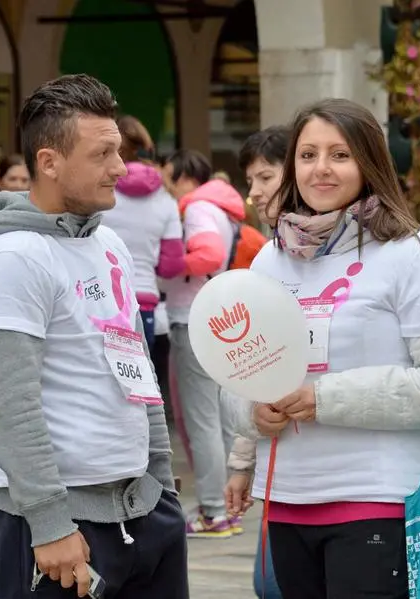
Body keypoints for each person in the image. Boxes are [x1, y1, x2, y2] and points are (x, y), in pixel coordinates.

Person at [232, 98, 420, 597]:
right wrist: (251, 416)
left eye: (339, 155)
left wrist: (325, 399)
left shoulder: (415, 255)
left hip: (377, 501)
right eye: (307, 155)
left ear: (369, 162)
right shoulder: (269, 261)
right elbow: (240, 378)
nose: (320, 169)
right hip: (285, 502)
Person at [0, 74, 186, 599]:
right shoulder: (10, 256)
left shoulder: (108, 242)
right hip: (59, 530)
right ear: (49, 162)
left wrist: (162, 482)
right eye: (102, 154)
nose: (121, 168)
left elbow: (135, 366)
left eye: (119, 151)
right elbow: (8, 404)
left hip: (144, 510)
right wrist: (50, 523)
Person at [159, 150, 248, 537]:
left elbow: (208, 254)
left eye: (167, 176)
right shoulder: (221, 207)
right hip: (217, 316)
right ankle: (231, 507)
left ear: (183, 176)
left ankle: (214, 511)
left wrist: (168, 266)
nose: (163, 183)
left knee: (203, 421)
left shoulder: (196, 209)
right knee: (224, 418)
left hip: (192, 317)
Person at [224, 124, 289, 599]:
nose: (254, 194)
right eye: (251, 181)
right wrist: (242, 462)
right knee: (270, 585)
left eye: (265, 177)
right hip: (280, 466)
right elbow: (254, 370)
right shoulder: (268, 259)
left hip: (343, 479)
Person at [101, 115, 184, 349]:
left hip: (101, 300)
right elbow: (172, 266)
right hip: (144, 300)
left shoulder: (98, 189)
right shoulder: (166, 197)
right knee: (141, 382)